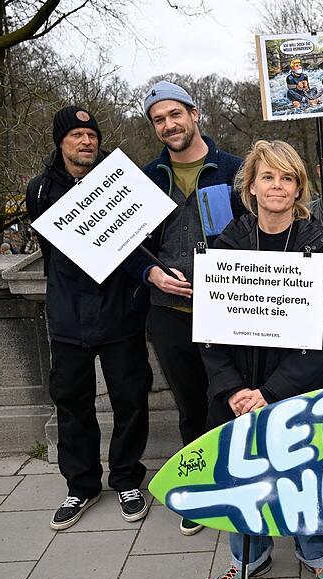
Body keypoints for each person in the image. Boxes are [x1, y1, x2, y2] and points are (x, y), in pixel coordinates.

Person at [200, 140, 323, 579]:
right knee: (243, 476)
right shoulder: (228, 243)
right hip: (239, 389)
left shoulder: (318, 245)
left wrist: (272, 391)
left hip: (299, 386)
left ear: (299, 187)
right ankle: (247, 556)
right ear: (251, 185)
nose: (277, 186)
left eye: (287, 178)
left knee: (306, 473)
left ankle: (317, 554)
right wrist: (233, 390)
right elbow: (210, 331)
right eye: (268, 177)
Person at [125, 80, 245, 536]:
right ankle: (196, 488)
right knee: (189, 405)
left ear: (195, 114)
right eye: (158, 119)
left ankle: (236, 477)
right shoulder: (143, 179)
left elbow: (258, 230)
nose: (168, 125)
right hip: (168, 314)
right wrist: (151, 274)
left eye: (175, 114)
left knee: (234, 396)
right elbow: (125, 244)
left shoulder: (235, 169)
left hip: (231, 311)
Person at [26, 106, 152, 530]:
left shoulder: (121, 183)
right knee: (71, 404)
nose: (86, 141)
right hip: (66, 318)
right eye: (77, 135)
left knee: (131, 400)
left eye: (91, 134)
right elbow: (49, 253)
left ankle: (127, 478)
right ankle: (81, 485)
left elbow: (139, 247)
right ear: (60, 142)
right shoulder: (40, 190)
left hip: (120, 313)